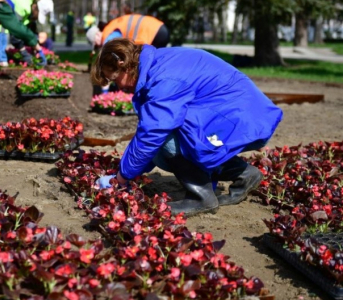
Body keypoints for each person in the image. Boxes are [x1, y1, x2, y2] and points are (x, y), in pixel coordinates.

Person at [92, 38, 283, 217]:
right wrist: (132, 170)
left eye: (114, 80)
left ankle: (201, 197)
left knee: (164, 141)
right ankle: (245, 174)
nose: (118, 87)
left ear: (122, 64)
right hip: (240, 117)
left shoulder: (164, 78)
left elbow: (153, 133)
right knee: (160, 148)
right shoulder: (158, 63)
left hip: (240, 121)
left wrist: (122, 177)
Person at [87, 14, 170, 49]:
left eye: (96, 44)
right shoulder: (111, 26)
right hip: (158, 27)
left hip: (153, 34)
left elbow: (114, 49)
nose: (98, 46)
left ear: (97, 35)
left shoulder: (108, 35)